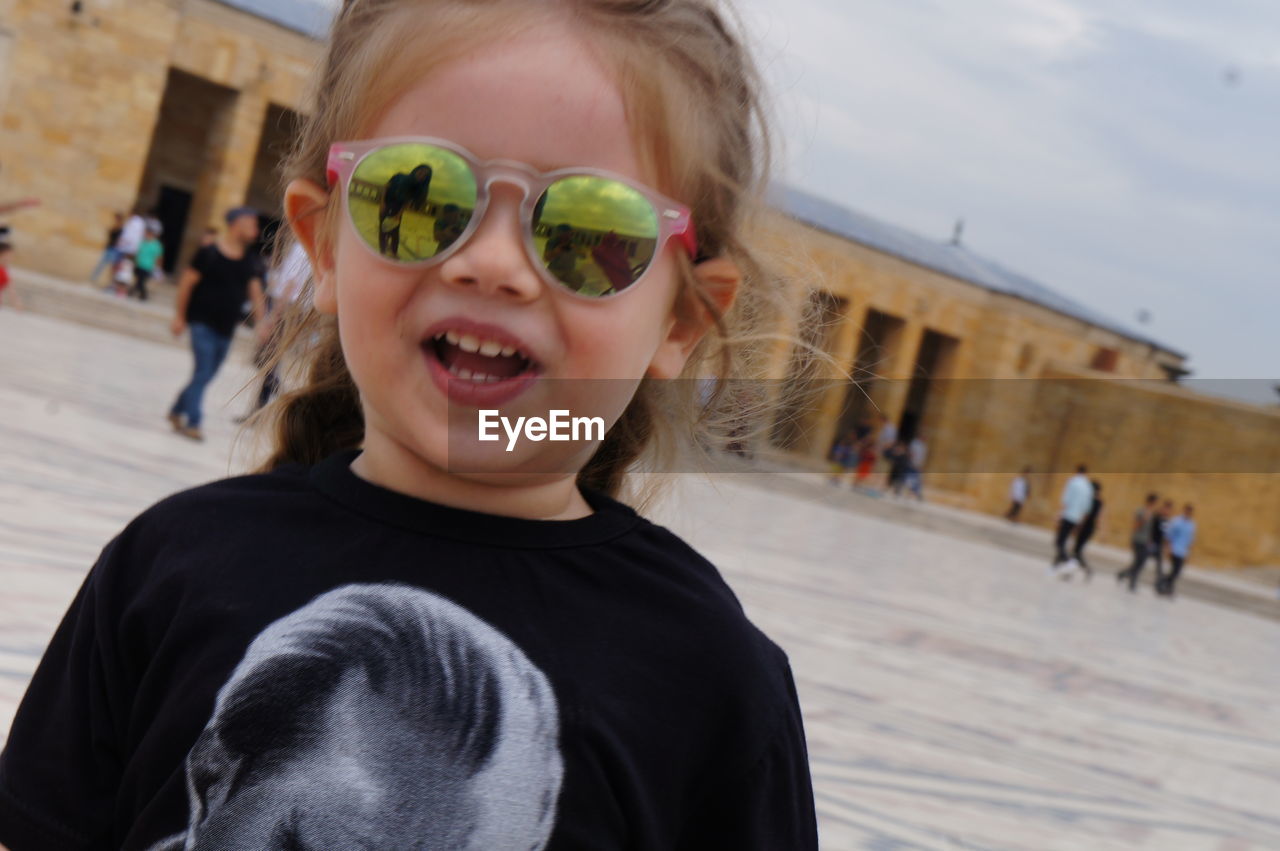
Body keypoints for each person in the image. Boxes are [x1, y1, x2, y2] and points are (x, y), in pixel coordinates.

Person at [0, 3, 818, 850]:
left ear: (682, 319)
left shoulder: (709, 679)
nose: (494, 264)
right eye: (419, 196)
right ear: (322, 246)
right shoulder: (166, 567)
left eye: (589, 231)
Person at [166, 207, 266, 441]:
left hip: (226, 329)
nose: (255, 229)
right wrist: (180, 317)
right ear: (235, 224)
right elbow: (186, 284)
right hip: (201, 323)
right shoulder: (208, 253)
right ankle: (194, 422)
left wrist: (262, 322)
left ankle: (176, 409)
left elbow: (255, 292)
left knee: (206, 374)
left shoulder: (249, 260)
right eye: (250, 223)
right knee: (202, 372)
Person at [378, 163, 432, 257]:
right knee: (383, 229)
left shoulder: (417, 187)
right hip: (386, 203)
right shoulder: (399, 176)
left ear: (426, 179)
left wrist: (398, 215)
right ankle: (383, 251)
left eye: (425, 175)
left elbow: (407, 202)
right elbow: (386, 187)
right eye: (421, 171)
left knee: (394, 231)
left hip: (397, 208)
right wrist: (382, 203)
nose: (422, 175)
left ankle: (393, 252)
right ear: (416, 169)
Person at [1050, 464, 1092, 573]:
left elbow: (1066, 500)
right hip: (1077, 518)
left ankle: (1068, 561)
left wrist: (1058, 514)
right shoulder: (1088, 486)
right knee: (1065, 540)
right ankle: (1057, 563)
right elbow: (1087, 507)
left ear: (1076, 471)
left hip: (1068, 515)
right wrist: (1081, 522)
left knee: (1059, 541)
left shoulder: (1073, 482)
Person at [1117, 492, 1159, 591]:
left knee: (1141, 562)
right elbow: (1135, 526)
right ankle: (1132, 582)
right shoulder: (1140, 511)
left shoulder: (1152, 514)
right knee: (1138, 562)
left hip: (1145, 542)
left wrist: (1150, 540)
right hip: (1138, 540)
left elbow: (1150, 530)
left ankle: (1123, 574)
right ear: (1150, 502)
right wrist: (1144, 519)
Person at [1064, 479, 1102, 581]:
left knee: (1076, 551)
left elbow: (1085, 515)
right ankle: (1077, 571)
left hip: (1084, 528)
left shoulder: (1090, 501)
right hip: (1090, 529)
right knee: (1077, 551)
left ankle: (1083, 570)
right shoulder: (1100, 502)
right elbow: (1098, 518)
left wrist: (1078, 527)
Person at [1159, 504, 1197, 598]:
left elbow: (1190, 539)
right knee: (1174, 570)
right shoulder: (1176, 521)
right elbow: (1169, 535)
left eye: (1190, 512)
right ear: (1184, 511)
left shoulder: (1192, 525)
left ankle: (1164, 583)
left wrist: (1188, 553)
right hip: (1174, 549)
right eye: (1187, 511)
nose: (1188, 513)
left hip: (1182, 552)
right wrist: (1168, 548)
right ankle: (1168, 588)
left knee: (1177, 572)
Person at [88, 211, 125, 285]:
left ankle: (110, 284)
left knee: (110, 267)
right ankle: (94, 279)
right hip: (111, 247)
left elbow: (119, 239)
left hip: (113, 249)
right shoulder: (117, 227)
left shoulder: (120, 228)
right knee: (104, 265)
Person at [129, 224, 164, 301]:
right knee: (138, 280)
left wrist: (158, 268)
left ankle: (142, 294)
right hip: (139, 264)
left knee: (141, 281)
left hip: (148, 266)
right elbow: (138, 252)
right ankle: (135, 292)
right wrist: (134, 261)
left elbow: (159, 257)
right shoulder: (143, 242)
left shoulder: (156, 245)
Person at [906, 432, 927, 500]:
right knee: (910, 478)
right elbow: (912, 453)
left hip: (918, 465)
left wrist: (920, 465)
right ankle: (910, 493)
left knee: (916, 479)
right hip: (913, 464)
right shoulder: (915, 443)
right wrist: (912, 463)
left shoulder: (923, 445)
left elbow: (922, 457)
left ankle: (915, 493)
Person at [0, 240, 21, 310]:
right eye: (9, 255)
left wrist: (16, 302)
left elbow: (11, 287)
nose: (10, 258)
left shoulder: (4, 271)